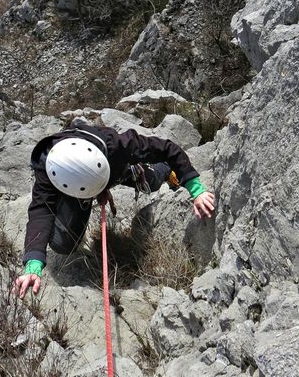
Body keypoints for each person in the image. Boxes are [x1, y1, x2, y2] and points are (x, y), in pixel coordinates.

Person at [12, 124, 215, 298]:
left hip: (114, 167)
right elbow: (41, 210)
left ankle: (152, 170)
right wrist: (33, 265)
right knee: (64, 244)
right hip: (76, 186)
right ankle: (81, 199)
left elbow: (167, 148)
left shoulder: (120, 145)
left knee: (151, 182)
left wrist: (196, 190)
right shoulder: (47, 168)